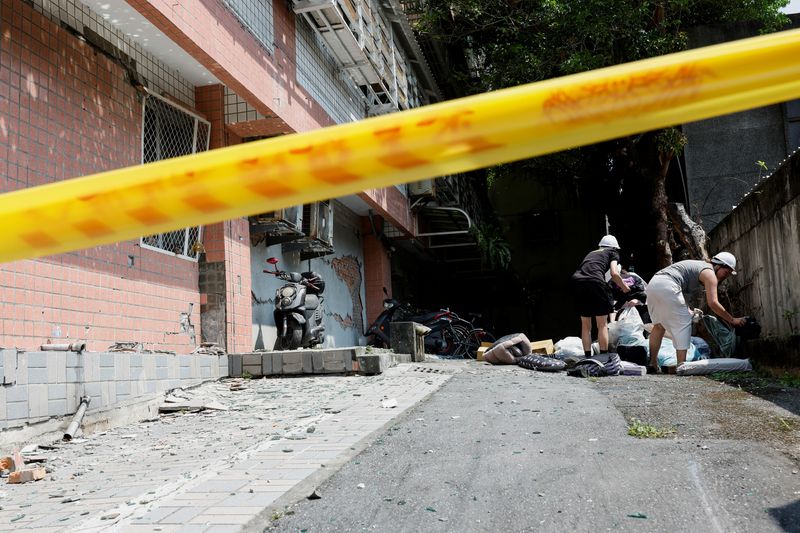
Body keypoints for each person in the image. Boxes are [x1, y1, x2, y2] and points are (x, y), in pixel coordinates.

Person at [645, 252, 746, 372]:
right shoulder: (709, 273)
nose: (726, 276)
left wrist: (687, 309)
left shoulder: (700, 266)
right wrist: (732, 320)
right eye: (727, 272)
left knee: (659, 326)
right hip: (668, 285)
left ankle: (653, 364)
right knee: (683, 324)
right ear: (719, 265)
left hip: (653, 284)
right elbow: (713, 303)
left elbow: (677, 289)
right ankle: (681, 366)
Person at [571, 235, 630, 357]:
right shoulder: (612, 252)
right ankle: (603, 357)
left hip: (578, 282)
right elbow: (614, 273)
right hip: (595, 282)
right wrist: (625, 287)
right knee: (602, 323)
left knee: (586, 325)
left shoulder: (592, 252)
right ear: (615, 247)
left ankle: (587, 357)